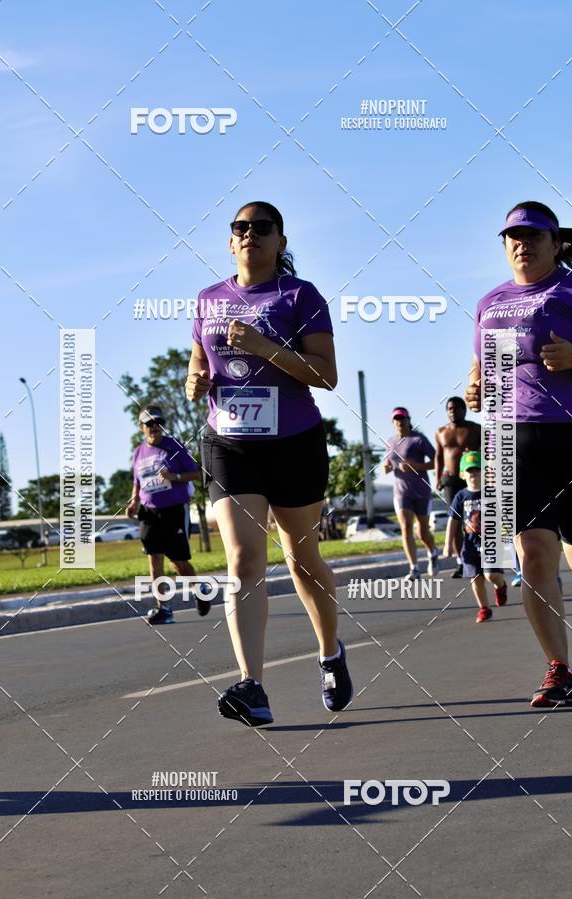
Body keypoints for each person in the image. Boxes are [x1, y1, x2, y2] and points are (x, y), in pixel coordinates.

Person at [185, 201, 352, 727]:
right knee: (242, 561)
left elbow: (326, 375)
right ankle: (252, 686)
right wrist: (196, 382)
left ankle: (330, 652)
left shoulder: (300, 296)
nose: (250, 234)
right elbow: (199, 362)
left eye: (262, 227)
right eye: (240, 228)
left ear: (281, 241)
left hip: (293, 441)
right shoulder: (209, 299)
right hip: (229, 443)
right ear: (230, 242)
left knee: (302, 562)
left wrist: (264, 346)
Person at [465, 200, 572, 706]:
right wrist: (475, 390)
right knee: (534, 556)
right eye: (513, 236)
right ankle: (558, 670)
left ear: (556, 244)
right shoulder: (490, 302)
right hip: (510, 440)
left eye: (534, 235)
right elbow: (481, 368)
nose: (523, 243)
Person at [126, 405, 211, 624]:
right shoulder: (138, 453)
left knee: (178, 561)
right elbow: (137, 482)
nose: (155, 427)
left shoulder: (174, 446)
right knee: (154, 559)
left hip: (174, 509)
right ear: (141, 427)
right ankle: (163, 608)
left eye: (158, 422)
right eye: (149, 423)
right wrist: (134, 500)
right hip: (149, 510)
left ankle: (199, 590)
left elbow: (194, 473)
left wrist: (174, 476)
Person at [444, 451, 508, 622]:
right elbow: (453, 521)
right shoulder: (460, 496)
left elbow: (505, 514)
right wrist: (448, 544)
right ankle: (484, 608)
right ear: (462, 474)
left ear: (484, 472)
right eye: (469, 470)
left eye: (477, 470)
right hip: (470, 544)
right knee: (476, 579)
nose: (473, 474)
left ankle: (500, 586)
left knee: (491, 576)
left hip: (492, 542)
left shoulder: (492, 492)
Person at [383, 407, 439, 581]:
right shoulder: (390, 442)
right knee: (406, 527)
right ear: (393, 422)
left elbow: (437, 461)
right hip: (401, 492)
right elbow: (388, 462)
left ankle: (433, 552)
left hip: (421, 491)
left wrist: (415, 467)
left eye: (403, 418)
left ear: (409, 420)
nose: (400, 422)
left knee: (422, 532)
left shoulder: (418, 439)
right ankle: (414, 568)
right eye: (396, 419)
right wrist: (387, 467)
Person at [435, 397, 481, 578]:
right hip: (451, 479)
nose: (452, 411)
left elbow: (488, 450)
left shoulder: (475, 429)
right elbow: (439, 456)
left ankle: (485, 555)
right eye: (449, 409)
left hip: (472, 477)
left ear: (464, 410)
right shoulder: (440, 432)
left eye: (456, 408)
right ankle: (461, 562)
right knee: (455, 518)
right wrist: (438, 478)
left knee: (477, 519)